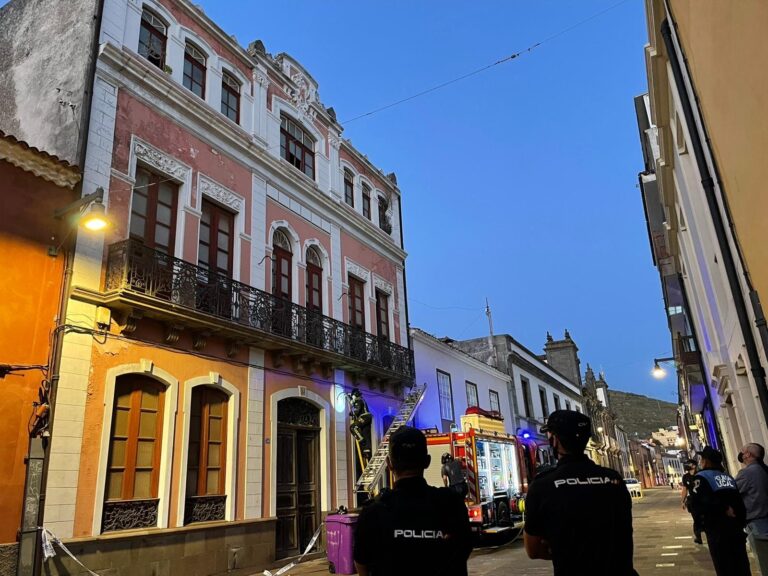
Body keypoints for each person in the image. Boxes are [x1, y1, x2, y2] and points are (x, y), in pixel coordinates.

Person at [524, 410, 638, 576]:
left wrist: (564, 552)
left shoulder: (543, 486)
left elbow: (533, 550)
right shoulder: (614, 480)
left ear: (554, 440)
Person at [353, 426, 473, 576]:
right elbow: (464, 549)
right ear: (427, 461)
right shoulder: (452, 505)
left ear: (389, 465)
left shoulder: (372, 512)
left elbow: (361, 564)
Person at [689, 446, 750, 576]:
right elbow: (739, 503)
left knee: (724, 567)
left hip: (717, 529)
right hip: (736, 529)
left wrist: (721, 509)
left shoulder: (700, 477)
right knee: (741, 565)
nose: (700, 462)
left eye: (702, 459)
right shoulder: (727, 477)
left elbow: (700, 502)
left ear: (706, 461)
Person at [736, 443, 768, 575]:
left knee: (764, 563)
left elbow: (733, 493)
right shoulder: (763, 470)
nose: (740, 453)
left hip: (758, 524)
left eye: (742, 450)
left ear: (748, 454)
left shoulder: (747, 473)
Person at [681, 459, 704, 544]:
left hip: (703, 500)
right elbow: (684, 489)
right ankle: (698, 537)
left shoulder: (701, 474)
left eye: (689, 464)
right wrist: (683, 501)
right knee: (696, 519)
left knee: (706, 518)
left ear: (694, 465)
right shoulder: (685, 476)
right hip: (693, 501)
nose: (687, 465)